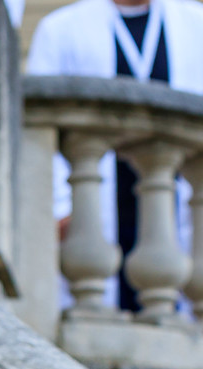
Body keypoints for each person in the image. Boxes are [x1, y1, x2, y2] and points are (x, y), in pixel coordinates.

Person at [28, 0, 203, 313]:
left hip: (177, 204)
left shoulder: (196, 24)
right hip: (91, 209)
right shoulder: (60, 29)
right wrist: (59, 206)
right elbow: (39, 130)